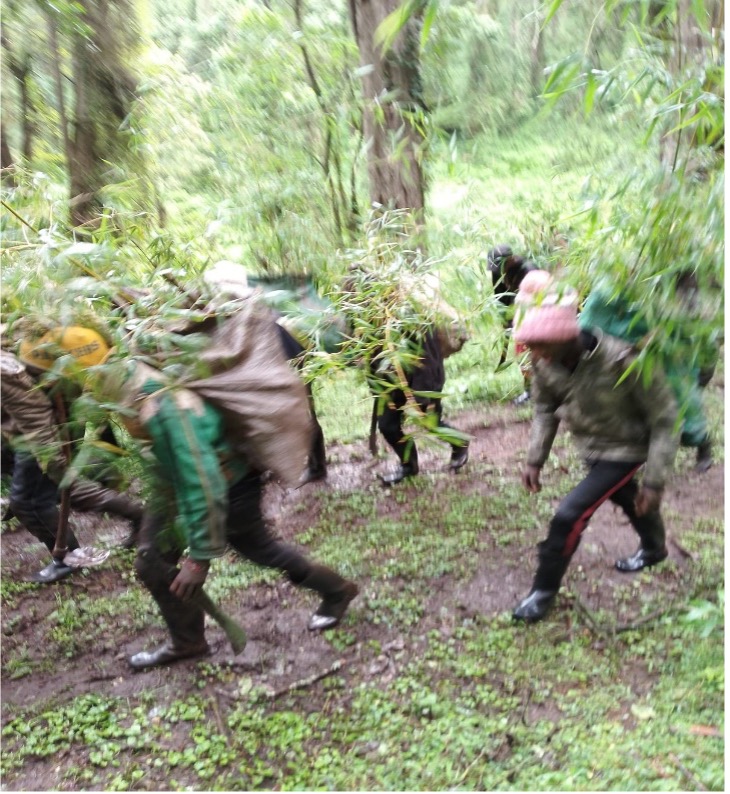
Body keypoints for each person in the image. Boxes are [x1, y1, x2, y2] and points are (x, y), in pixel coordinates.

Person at [99, 337, 358, 670]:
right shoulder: (130, 376)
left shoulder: (165, 409)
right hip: (178, 482)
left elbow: (201, 482)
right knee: (152, 558)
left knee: (259, 548)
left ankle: (336, 590)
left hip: (229, 482)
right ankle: (187, 641)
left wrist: (198, 557)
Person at [511, 295, 679, 623]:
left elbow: (666, 419)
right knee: (626, 495)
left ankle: (542, 591)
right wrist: (535, 460)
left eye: (541, 348)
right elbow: (545, 408)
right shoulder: (545, 362)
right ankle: (655, 548)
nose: (535, 356)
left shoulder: (623, 360)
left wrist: (655, 480)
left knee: (569, 515)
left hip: (626, 448)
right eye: (531, 348)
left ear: (567, 339)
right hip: (590, 444)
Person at [3, 328, 144, 583]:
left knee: (30, 501)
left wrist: (54, 464)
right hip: (21, 430)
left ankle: (68, 556)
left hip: (40, 435)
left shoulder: (3, 370)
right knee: (52, 491)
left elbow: (34, 416)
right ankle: (139, 515)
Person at [579, 274, 716, 473]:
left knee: (682, 405)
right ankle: (643, 456)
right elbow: (590, 323)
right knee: (637, 410)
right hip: (629, 361)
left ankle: (703, 445)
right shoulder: (611, 288)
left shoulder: (674, 287)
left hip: (669, 358)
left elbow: (691, 329)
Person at [488, 245, 538, 404]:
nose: (499, 271)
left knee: (535, 356)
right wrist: (505, 320)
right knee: (522, 356)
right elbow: (500, 298)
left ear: (511, 259)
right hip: (518, 319)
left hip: (535, 318)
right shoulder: (498, 273)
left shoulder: (529, 270)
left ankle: (539, 392)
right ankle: (530, 391)